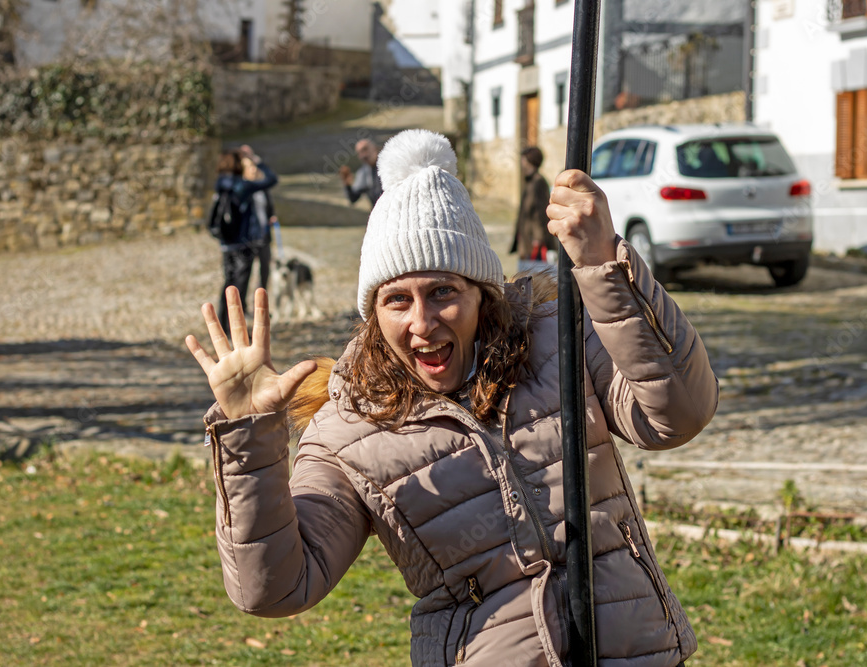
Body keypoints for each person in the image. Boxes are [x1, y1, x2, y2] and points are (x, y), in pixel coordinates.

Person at [186, 129, 718, 666]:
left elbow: (678, 414)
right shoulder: (347, 427)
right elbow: (273, 589)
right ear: (374, 315)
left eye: (443, 291)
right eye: (397, 300)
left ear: (482, 294)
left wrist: (604, 265)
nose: (422, 323)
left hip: (634, 653)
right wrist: (249, 440)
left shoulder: (559, 340)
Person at [212, 148, 278, 333]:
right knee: (238, 289)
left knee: (228, 284)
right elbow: (271, 180)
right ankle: (235, 331)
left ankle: (223, 326)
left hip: (226, 245)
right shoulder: (242, 185)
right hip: (242, 245)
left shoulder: (221, 184)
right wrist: (256, 159)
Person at [512, 145, 557, 273]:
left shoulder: (539, 183)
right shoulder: (529, 182)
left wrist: (538, 238)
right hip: (527, 239)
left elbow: (542, 214)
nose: (522, 164)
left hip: (534, 242)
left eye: (524, 160)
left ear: (530, 162)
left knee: (536, 278)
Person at [240, 144, 277, 292]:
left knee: (265, 271)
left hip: (264, 236)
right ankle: (244, 306)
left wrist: (271, 216)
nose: (254, 169)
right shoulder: (242, 189)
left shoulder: (261, 188)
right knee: (245, 273)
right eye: (251, 167)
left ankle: (261, 304)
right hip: (248, 238)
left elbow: (269, 204)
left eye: (255, 167)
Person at [339, 138, 383, 208]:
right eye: (360, 153)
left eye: (365, 149)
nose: (363, 155)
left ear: (375, 148)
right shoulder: (363, 173)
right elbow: (353, 198)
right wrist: (347, 184)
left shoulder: (389, 165)